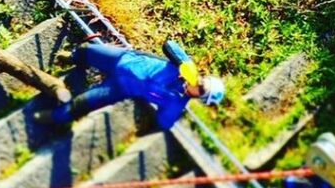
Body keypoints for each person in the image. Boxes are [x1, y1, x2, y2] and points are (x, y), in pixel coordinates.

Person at [32, 39, 224, 131]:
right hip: (123, 60)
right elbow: (168, 44)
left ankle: (51, 119)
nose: (198, 82)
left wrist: (150, 119)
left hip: (120, 88)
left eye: (201, 88)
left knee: (80, 104)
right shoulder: (186, 68)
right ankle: (73, 60)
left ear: (199, 97)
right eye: (203, 79)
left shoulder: (176, 104)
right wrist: (182, 62)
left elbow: (162, 124)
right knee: (85, 50)